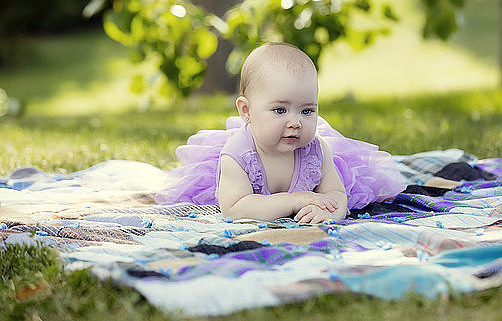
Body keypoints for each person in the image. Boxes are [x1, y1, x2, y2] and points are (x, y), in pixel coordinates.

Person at [156, 43, 406, 223]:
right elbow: (235, 209)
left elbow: (336, 194)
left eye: (307, 111)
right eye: (279, 110)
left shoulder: (316, 150)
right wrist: (294, 200)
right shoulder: (236, 156)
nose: (295, 122)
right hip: (239, 186)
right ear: (246, 111)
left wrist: (331, 210)